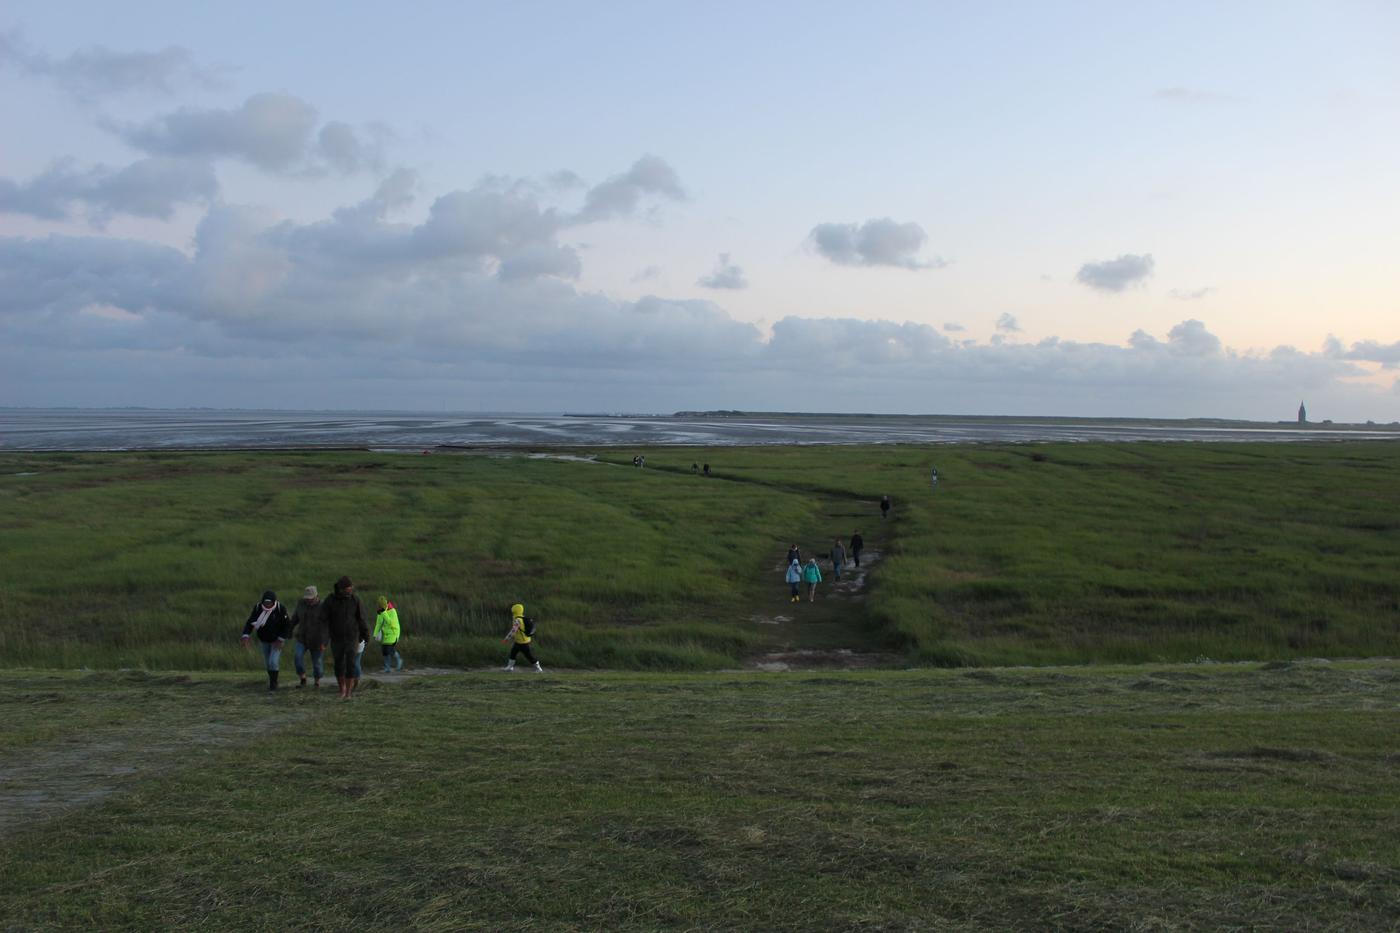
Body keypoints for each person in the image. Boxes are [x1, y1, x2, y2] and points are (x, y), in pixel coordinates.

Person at [323, 576, 369, 700]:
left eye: (351, 587)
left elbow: (361, 618)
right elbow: (323, 620)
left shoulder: (355, 600)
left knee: (351, 663)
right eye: (348, 588)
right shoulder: (330, 600)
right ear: (341, 589)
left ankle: (348, 692)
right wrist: (324, 639)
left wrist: (365, 634)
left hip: (352, 637)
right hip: (336, 637)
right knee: (338, 664)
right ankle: (341, 689)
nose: (351, 590)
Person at [241, 590, 293, 691]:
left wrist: (281, 639)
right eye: (265, 602)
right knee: (268, 663)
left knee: (273, 662)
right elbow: (250, 622)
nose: (267, 605)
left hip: (277, 640)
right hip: (264, 640)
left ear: (274, 602)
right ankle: (272, 680)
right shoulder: (257, 608)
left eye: (269, 603)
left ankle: (274, 684)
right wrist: (245, 635)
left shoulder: (280, 609)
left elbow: (287, 625)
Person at [290, 585, 326, 689]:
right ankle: (303, 678)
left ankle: (317, 682)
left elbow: (326, 627)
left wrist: (324, 642)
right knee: (297, 657)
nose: (308, 600)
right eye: (307, 598)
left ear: (316, 596)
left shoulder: (323, 606)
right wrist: (289, 629)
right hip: (302, 637)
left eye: (311, 598)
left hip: (317, 640)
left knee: (317, 664)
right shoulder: (301, 603)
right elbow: (295, 618)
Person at [502, 603, 543, 672]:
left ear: (514, 610)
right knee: (513, 652)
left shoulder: (517, 620)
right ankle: (510, 667)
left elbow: (513, 631)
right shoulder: (522, 617)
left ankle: (539, 668)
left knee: (529, 656)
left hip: (522, 642)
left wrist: (506, 639)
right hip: (520, 641)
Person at [373, 595, 403, 673]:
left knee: (389, 649)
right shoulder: (380, 612)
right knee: (384, 651)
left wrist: (384, 613)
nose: (379, 607)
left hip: (393, 633)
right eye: (378, 605)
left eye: (380, 605)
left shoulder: (392, 611)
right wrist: (375, 634)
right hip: (385, 634)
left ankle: (398, 660)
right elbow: (378, 624)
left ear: (384, 604)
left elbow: (390, 622)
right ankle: (387, 667)